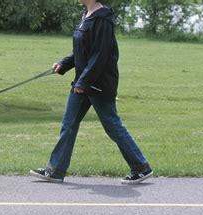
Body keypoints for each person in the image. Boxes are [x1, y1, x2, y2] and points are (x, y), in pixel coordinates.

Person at [30, 0, 153, 184]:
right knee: (68, 124)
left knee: (112, 125)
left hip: (99, 83)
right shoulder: (87, 16)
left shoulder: (103, 19)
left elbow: (99, 55)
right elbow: (82, 51)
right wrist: (63, 64)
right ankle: (55, 170)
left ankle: (141, 167)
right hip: (83, 81)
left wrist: (84, 81)